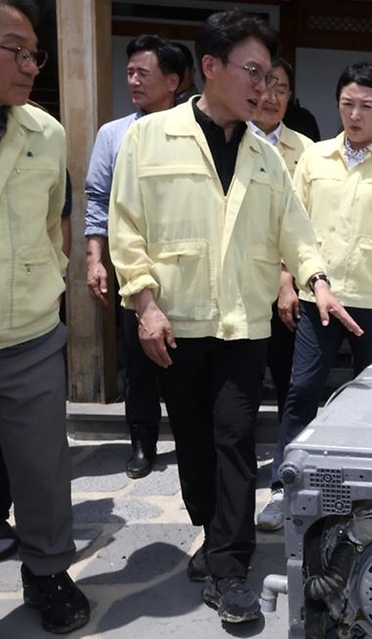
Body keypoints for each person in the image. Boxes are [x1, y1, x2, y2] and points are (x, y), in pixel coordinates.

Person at [109, 11, 360, 624]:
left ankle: (229, 568)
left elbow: (296, 231)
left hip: (244, 325)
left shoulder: (266, 157)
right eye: (253, 71)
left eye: (270, 76)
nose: (264, 87)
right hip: (175, 323)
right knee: (194, 444)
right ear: (211, 67)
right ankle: (213, 530)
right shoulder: (149, 138)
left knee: (235, 439)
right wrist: (144, 304)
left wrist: (318, 282)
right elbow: (126, 227)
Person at [261, 62, 372, 530]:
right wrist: (286, 280)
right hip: (317, 297)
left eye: (367, 106)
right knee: (302, 390)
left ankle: (364, 493)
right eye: (347, 104)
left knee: (371, 404)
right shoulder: (314, 159)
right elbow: (292, 226)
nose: (355, 115)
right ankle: (284, 486)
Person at [0, 0, 90, 632]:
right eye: (17, 50)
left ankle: (47, 569)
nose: (32, 66)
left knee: (42, 466)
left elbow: (59, 214)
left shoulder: (47, 131)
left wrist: (50, 275)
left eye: (36, 53)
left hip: (28, 332)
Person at [85, 34, 185, 480]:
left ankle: (190, 438)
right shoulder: (114, 134)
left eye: (143, 73)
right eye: (129, 73)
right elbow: (97, 199)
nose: (133, 81)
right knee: (139, 362)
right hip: (134, 268)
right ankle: (142, 441)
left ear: (173, 81)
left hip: (186, 270)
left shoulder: (194, 130)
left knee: (187, 361)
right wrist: (95, 259)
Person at [247, 56, 313, 444]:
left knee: (292, 376)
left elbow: (307, 222)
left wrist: (287, 278)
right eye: (266, 87)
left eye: (282, 90)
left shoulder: (309, 151)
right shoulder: (229, 140)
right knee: (242, 379)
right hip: (242, 280)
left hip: (291, 285)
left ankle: (292, 455)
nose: (271, 98)